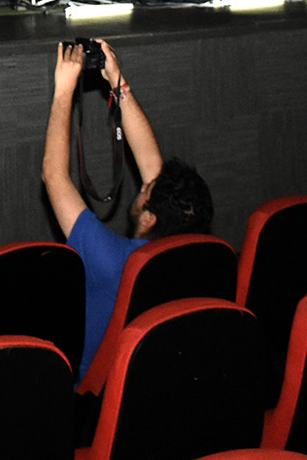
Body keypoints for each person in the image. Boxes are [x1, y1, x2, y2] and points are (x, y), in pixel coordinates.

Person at [42, 38, 214, 381]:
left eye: (148, 187)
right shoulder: (189, 264)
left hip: (85, 398)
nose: (147, 179)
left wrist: (63, 91)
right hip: (141, 392)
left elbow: (54, 176)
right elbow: (152, 164)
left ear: (150, 218)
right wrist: (117, 82)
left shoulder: (112, 260)